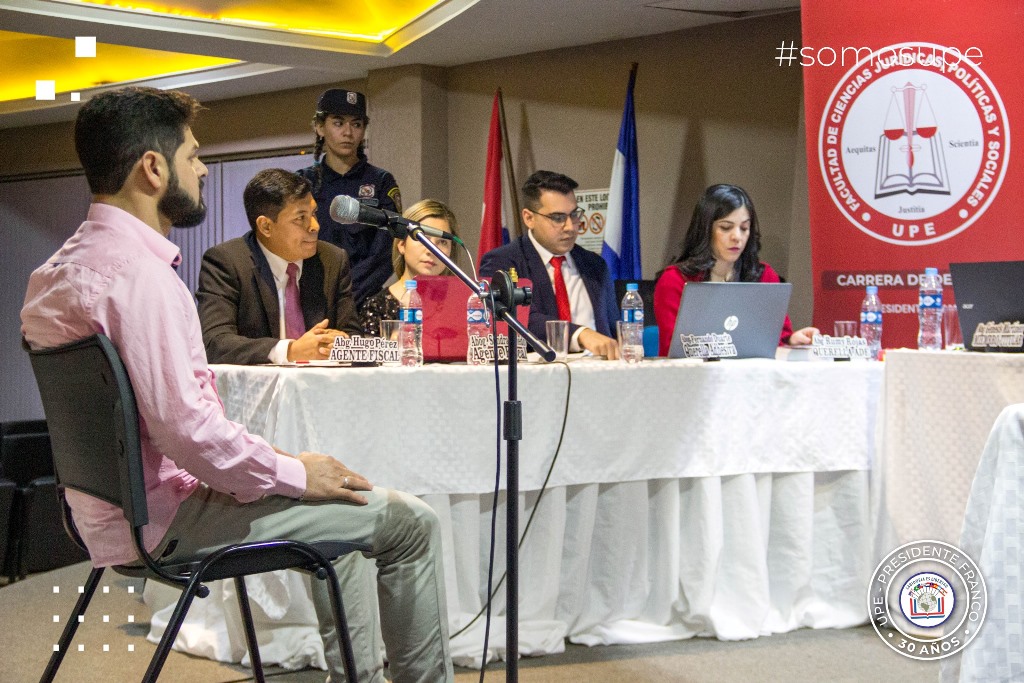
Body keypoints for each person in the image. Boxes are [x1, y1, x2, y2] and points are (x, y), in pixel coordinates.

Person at [20, 86, 453, 683]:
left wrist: (281, 463)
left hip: (104, 511)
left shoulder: (54, 272)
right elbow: (189, 434)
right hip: (166, 519)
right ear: (152, 168)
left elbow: (169, 428)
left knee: (342, 516)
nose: (200, 170)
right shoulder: (140, 277)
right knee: (411, 523)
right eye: (193, 156)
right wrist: (296, 474)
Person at [197, 168, 362, 365]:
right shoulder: (227, 262)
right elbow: (214, 343)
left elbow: (353, 336)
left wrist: (341, 343)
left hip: (321, 389)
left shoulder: (332, 260)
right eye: (301, 218)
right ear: (266, 226)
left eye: (314, 213)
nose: (315, 226)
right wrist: (290, 350)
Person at [653, 183, 818, 356]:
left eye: (744, 228)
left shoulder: (764, 276)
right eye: (726, 228)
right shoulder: (675, 280)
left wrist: (792, 340)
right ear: (705, 229)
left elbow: (778, 336)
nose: (737, 237)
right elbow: (673, 350)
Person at [479, 170, 620, 359]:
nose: (570, 226)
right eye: (558, 218)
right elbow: (520, 319)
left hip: (599, 374)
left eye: (574, 214)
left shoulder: (595, 264)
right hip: (538, 377)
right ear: (529, 218)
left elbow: (612, 327)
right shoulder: (502, 262)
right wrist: (580, 334)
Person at [298, 88, 402, 309]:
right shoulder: (303, 183)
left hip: (364, 300)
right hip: (310, 297)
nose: (348, 132)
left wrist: (346, 295)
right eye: (338, 123)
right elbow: (292, 242)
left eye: (356, 124)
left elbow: (386, 252)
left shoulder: (381, 182)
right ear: (320, 127)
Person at [359, 199, 461, 337]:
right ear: (402, 244)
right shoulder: (376, 306)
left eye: (442, 242)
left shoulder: (461, 304)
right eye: (421, 238)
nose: (431, 250)